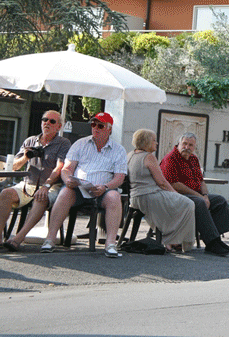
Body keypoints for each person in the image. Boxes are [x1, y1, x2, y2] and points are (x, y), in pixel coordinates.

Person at [42, 112, 126, 258]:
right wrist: (68, 179)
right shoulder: (80, 144)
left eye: (100, 125)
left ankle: (111, 243)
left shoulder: (119, 150)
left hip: (103, 191)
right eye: (93, 124)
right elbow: (67, 168)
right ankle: (50, 239)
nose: (96, 128)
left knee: (114, 196)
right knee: (64, 192)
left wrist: (105, 187)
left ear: (109, 129)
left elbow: (120, 177)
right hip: (79, 189)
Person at [2, 110, 71, 252]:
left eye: (52, 121)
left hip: (51, 185)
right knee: (5, 193)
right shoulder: (30, 141)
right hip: (28, 184)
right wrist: (26, 157)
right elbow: (15, 167)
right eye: (44, 120)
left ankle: (17, 239)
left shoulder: (63, 143)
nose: (47, 123)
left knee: (41, 196)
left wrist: (46, 185)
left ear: (59, 126)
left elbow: (59, 167)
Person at [160, 132, 229, 256]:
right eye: (185, 144)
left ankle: (217, 239)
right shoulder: (170, 158)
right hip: (176, 196)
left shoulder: (193, 159)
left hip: (196, 195)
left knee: (219, 200)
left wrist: (205, 195)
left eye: (191, 145)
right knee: (199, 203)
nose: (187, 147)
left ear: (194, 147)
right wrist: (200, 197)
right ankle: (211, 242)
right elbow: (174, 184)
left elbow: (201, 181)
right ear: (179, 144)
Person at [127, 129, 196, 252]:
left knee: (180, 203)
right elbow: (162, 183)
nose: (157, 143)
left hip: (135, 197)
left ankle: (171, 239)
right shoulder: (149, 157)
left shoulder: (130, 154)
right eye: (154, 140)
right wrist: (174, 194)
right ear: (147, 142)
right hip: (149, 196)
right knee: (188, 203)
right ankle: (175, 240)